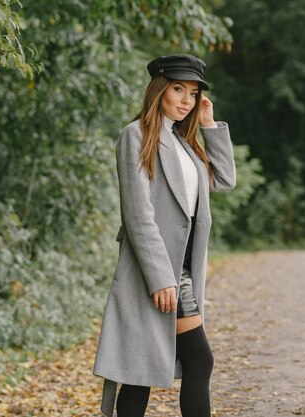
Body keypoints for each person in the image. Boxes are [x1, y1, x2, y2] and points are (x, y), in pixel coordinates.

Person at [92, 53, 236, 417]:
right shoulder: (136, 134)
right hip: (157, 272)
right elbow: (139, 214)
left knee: (144, 372)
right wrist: (161, 278)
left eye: (192, 93)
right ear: (159, 89)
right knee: (191, 362)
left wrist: (208, 125)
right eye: (178, 89)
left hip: (182, 269)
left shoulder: (185, 143)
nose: (186, 100)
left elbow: (224, 180)